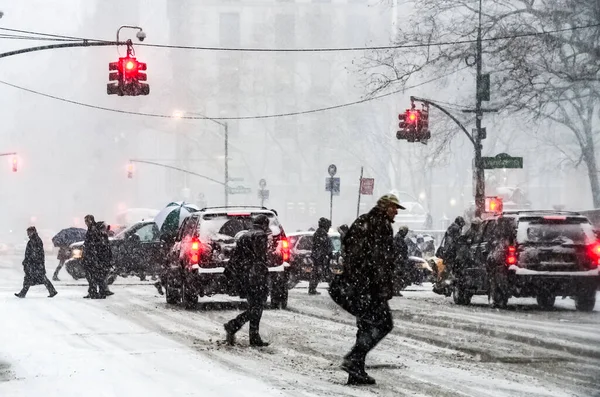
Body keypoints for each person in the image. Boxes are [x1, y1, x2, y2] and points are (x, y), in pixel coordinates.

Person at [329, 194, 404, 385]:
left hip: (358, 285)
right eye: (394, 207)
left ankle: (356, 372)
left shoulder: (364, 220)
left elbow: (350, 250)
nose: (396, 211)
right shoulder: (381, 225)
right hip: (370, 286)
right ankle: (354, 359)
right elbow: (380, 259)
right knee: (384, 324)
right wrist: (380, 286)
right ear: (385, 207)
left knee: (365, 325)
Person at [224, 215, 271, 347]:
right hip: (256, 276)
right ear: (264, 224)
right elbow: (260, 258)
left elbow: (235, 257)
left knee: (254, 306)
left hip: (245, 276)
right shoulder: (260, 235)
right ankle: (234, 325)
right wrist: (263, 274)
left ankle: (254, 336)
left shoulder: (244, 235)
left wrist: (231, 273)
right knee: (258, 306)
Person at [15, 227, 57, 298]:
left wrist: (30, 261)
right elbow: (30, 252)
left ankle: (23, 293)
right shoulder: (33, 240)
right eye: (27, 232)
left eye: (29, 232)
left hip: (35, 264)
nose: (28, 234)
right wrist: (26, 260)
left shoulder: (35, 240)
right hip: (34, 263)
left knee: (37, 277)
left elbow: (35, 253)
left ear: (33, 232)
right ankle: (23, 293)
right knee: (34, 278)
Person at [309, 217, 333, 295]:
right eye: (328, 226)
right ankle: (312, 289)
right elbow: (323, 246)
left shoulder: (319, 233)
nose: (329, 228)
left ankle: (312, 288)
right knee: (317, 273)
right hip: (319, 257)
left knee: (317, 273)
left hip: (319, 256)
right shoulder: (321, 233)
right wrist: (327, 253)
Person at [393, 226, 410, 296]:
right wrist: (400, 257)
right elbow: (399, 249)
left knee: (399, 276)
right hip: (398, 261)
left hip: (399, 260)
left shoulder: (399, 237)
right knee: (398, 276)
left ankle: (396, 290)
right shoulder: (398, 238)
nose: (406, 233)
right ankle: (395, 290)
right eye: (406, 231)